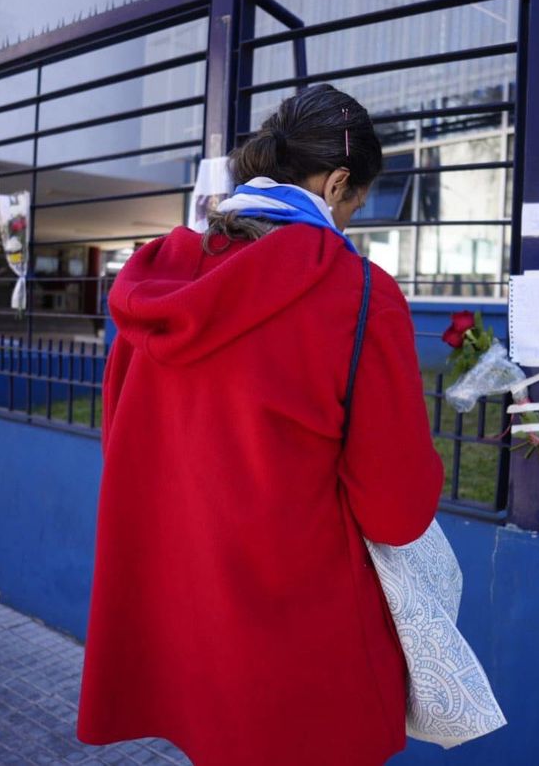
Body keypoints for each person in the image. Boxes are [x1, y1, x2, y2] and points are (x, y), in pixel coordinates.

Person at [77, 84, 444, 765]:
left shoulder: (153, 277)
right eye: (357, 202)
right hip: (305, 649)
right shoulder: (359, 293)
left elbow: (124, 441)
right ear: (336, 183)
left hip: (185, 624)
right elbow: (396, 511)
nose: (353, 219)